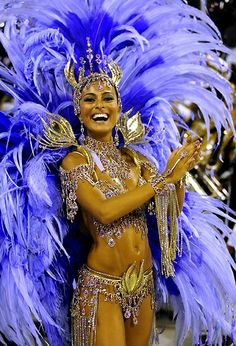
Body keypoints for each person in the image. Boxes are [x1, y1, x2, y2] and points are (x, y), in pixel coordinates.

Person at [59, 57, 202, 345]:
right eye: (89, 99)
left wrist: (180, 173)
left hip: (142, 283)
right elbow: (104, 211)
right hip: (102, 287)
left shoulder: (135, 160)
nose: (99, 105)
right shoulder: (74, 162)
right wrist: (163, 178)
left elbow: (170, 209)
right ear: (79, 109)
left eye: (107, 98)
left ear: (118, 107)